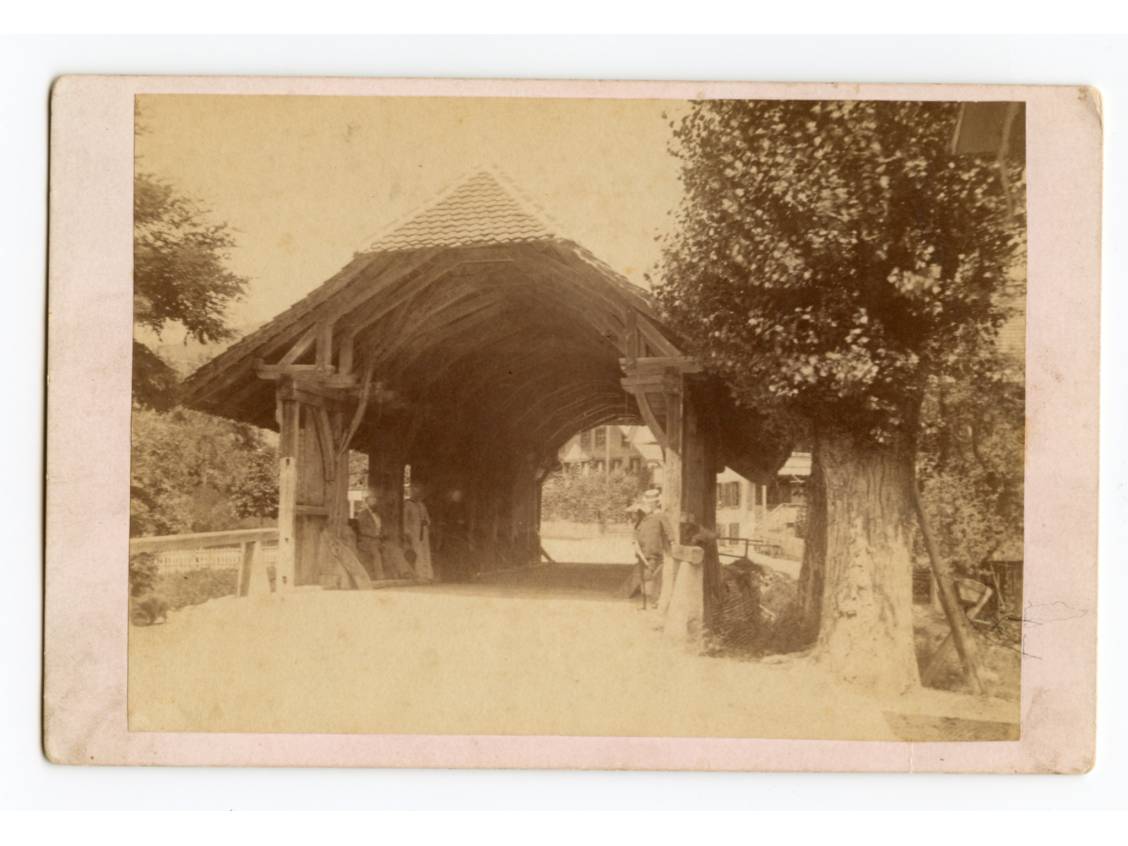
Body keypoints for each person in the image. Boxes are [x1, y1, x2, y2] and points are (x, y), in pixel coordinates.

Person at [634, 488, 673, 609]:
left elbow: (669, 531)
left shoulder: (661, 516)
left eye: (652, 503)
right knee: (644, 577)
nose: (649, 505)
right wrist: (636, 542)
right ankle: (645, 603)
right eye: (647, 503)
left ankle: (654, 601)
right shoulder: (645, 517)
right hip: (642, 551)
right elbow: (637, 530)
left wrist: (672, 542)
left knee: (652, 577)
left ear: (657, 503)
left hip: (654, 552)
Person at [402, 482, 435, 582]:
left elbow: (428, 519)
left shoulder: (422, 505)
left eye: (418, 491)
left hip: (424, 532)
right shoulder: (408, 504)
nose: (416, 493)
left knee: (425, 552)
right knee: (417, 552)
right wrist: (407, 532)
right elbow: (405, 520)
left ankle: (428, 575)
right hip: (414, 533)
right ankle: (419, 574)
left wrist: (426, 522)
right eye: (414, 491)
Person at [355, 491, 386, 580]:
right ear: (367, 501)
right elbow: (362, 530)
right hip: (367, 541)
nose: (374, 501)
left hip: (378, 540)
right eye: (371, 500)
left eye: (375, 500)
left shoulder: (378, 514)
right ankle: (380, 577)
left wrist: (382, 534)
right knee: (376, 553)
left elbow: (381, 528)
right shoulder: (362, 514)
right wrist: (375, 535)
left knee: (393, 549)